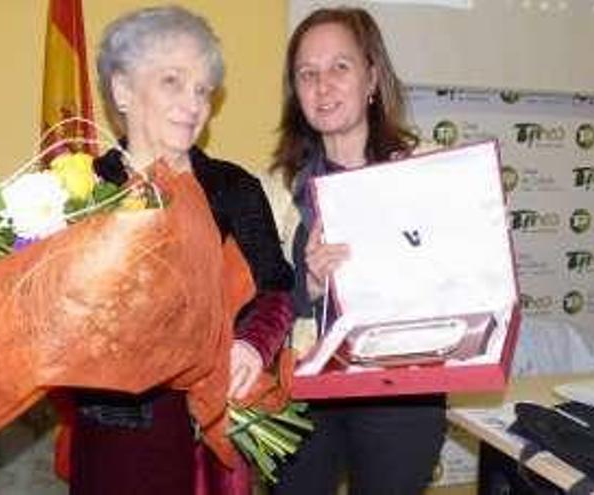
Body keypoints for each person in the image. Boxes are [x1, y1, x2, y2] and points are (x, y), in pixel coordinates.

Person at [66, 6, 294, 494]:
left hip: (206, 435)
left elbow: (276, 287)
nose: (192, 103)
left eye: (202, 90)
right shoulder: (80, 190)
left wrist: (251, 345)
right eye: (173, 81)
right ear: (123, 90)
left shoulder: (232, 188)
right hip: (112, 437)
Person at [265, 7, 446, 495]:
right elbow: (261, 306)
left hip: (401, 393)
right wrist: (311, 286)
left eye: (339, 67)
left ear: (372, 76)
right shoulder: (276, 190)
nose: (322, 85)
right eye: (308, 73)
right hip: (303, 392)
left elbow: (461, 280)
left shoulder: (431, 171)